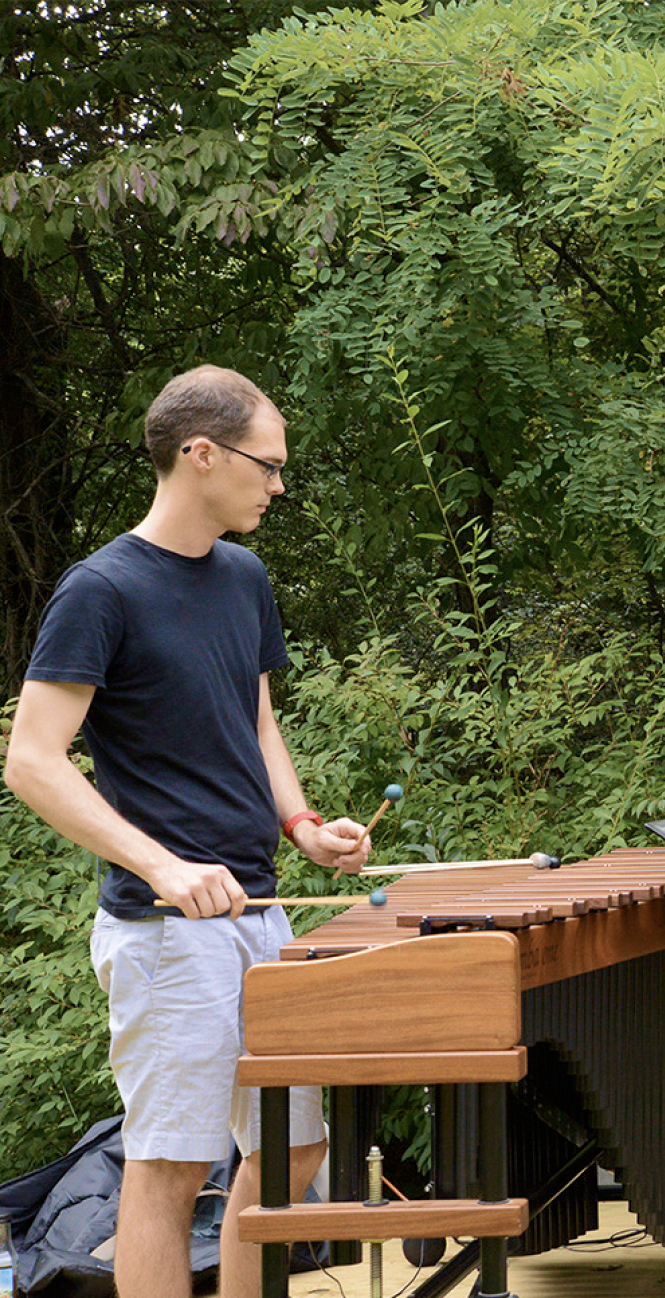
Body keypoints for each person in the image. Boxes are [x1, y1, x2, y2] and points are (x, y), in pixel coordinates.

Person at [3, 366, 372, 1298]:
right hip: (167, 935)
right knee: (169, 1166)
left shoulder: (243, 577)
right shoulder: (102, 590)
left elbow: (257, 727)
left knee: (297, 1147)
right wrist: (161, 865)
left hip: (257, 911)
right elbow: (34, 760)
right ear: (200, 454)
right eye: (268, 464)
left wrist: (301, 826)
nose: (278, 485)